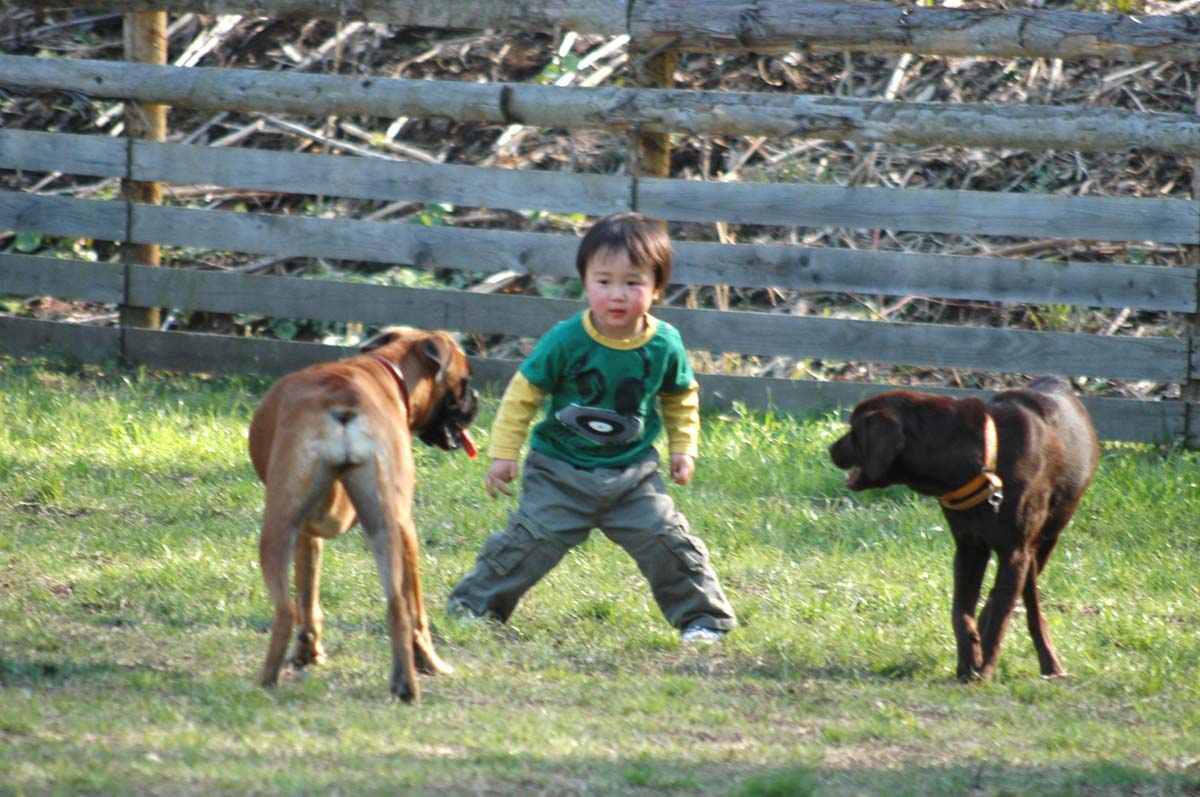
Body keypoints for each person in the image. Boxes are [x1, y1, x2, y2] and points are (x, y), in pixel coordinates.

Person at [447, 212, 737, 642]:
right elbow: (522, 395)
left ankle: (703, 620)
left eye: (633, 283)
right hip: (559, 473)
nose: (617, 295)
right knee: (529, 542)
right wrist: (504, 455)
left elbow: (680, 396)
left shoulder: (664, 344)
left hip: (632, 477)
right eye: (604, 281)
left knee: (668, 542)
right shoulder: (567, 340)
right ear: (585, 283)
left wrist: (684, 448)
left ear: (656, 288)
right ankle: (474, 607)